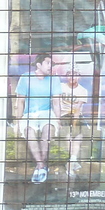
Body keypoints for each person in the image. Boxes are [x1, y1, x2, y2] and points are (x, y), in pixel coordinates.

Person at [12, 53, 61, 183]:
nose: (50, 66)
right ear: (39, 65)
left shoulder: (54, 80)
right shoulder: (25, 78)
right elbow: (20, 102)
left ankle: (40, 166)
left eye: (52, 63)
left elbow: (56, 102)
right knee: (29, 131)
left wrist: (58, 120)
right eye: (48, 63)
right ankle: (41, 165)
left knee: (48, 129)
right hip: (29, 114)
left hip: (47, 112)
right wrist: (17, 121)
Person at [56, 70, 89, 174]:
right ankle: (73, 161)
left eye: (75, 75)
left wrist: (75, 123)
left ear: (79, 77)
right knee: (67, 136)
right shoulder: (60, 87)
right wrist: (58, 119)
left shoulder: (83, 90)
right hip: (63, 114)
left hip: (76, 115)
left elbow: (78, 109)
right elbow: (56, 103)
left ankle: (72, 160)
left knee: (78, 136)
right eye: (69, 75)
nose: (72, 77)